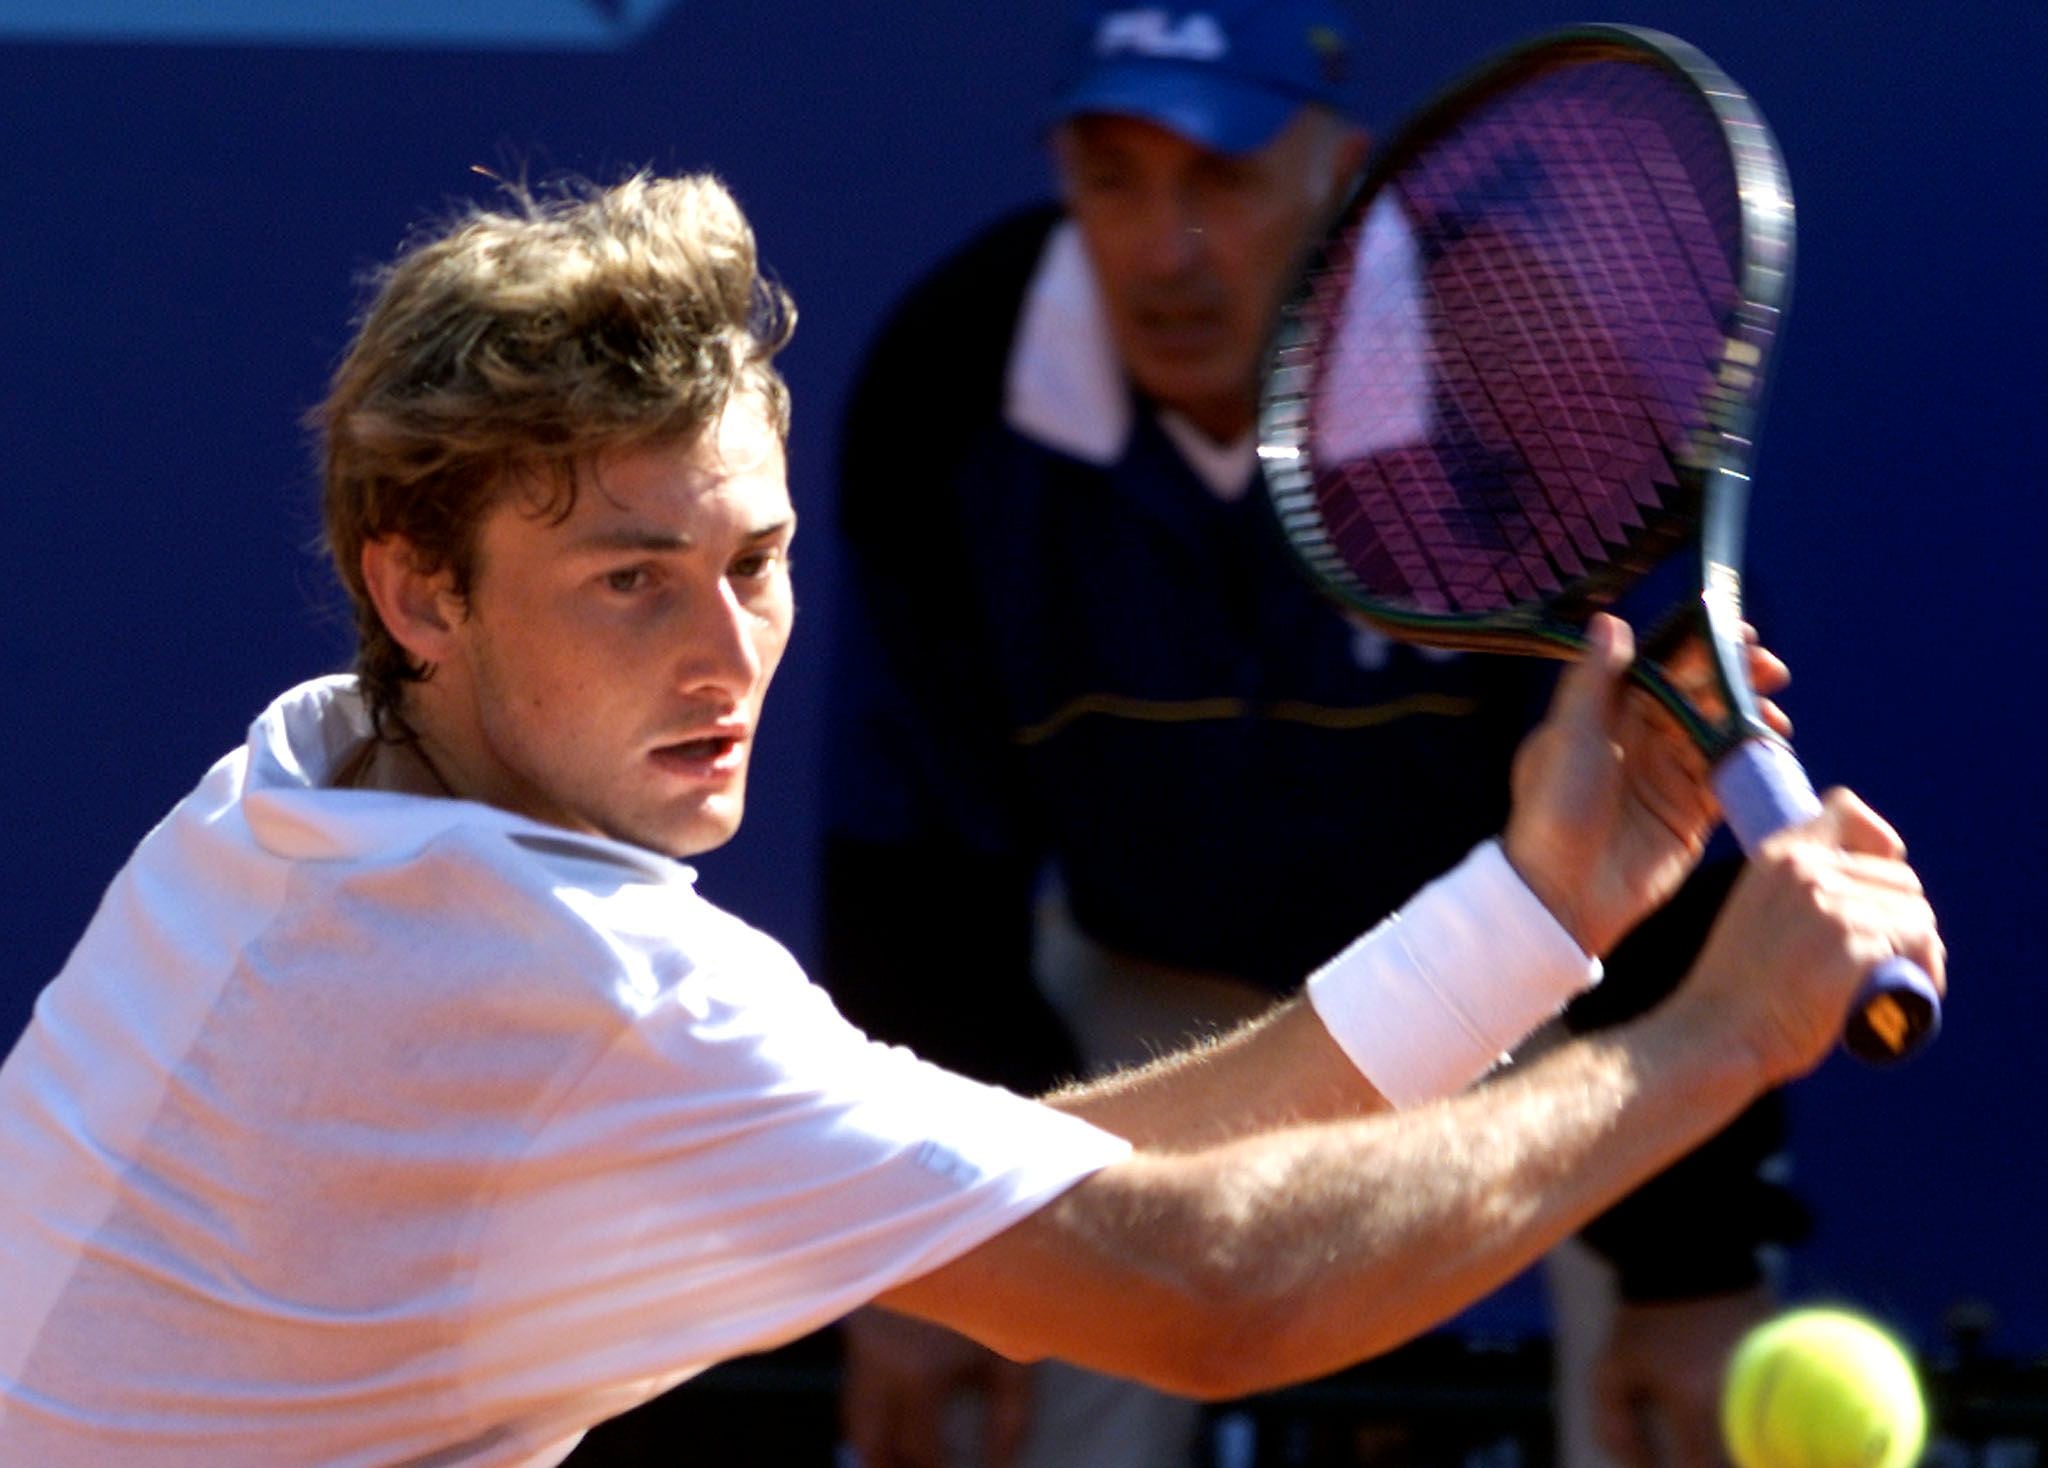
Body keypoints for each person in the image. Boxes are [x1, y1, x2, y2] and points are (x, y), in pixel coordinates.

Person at [0, 168, 1942, 1468]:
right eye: (627, 580)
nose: (722, 653)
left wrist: (1538, 904)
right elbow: (1207, 1289)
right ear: (420, 586)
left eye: (752, 560)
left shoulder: (297, 788)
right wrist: (1713, 1034)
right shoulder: (573, 984)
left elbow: (1045, 1171)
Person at [821, 4, 1811, 1466]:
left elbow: (1663, 822)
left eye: (1215, 178)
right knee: (1023, 1380)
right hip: (1150, 996)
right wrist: (928, 1248)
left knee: (1687, 1420)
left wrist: (1693, 1271)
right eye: (1112, 176)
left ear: (1339, 172)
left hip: (1526, 961)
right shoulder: (950, 381)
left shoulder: (1525, 366)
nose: (1161, 250)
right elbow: (912, 865)